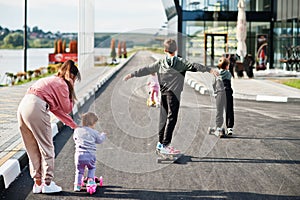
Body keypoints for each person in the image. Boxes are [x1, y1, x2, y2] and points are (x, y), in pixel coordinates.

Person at [123, 38, 218, 154]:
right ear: (176, 49)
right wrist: (209, 69)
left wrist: (132, 74)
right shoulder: (180, 63)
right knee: (172, 118)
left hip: (163, 94)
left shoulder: (160, 63)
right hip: (174, 96)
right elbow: (195, 66)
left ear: (164, 50)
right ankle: (166, 145)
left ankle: (160, 143)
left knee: (163, 118)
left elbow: (146, 69)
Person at [17, 59, 81, 194]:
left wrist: (73, 125)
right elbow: (66, 107)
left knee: (32, 148)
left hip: (23, 106)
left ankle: (38, 183)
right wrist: (71, 89)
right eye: (75, 80)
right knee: (47, 147)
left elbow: (56, 109)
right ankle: (48, 183)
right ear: (73, 76)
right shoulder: (62, 84)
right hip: (36, 106)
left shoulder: (52, 80)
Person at [73, 112, 106, 192]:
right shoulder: (94, 132)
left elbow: (75, 139)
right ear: (93, 123)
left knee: (79, 171)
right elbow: (99, 140)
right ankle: (91, 181)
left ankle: (77, 185)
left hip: (79, 155)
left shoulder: (77, 130)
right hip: (90, 155)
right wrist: (103, 135)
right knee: (91, 168)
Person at [211, 57, 234, 137]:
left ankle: (218, 127)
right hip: (228, 93)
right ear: (227, 66)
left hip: (219, 94)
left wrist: (215, 92)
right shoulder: (228, 74)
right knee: (229, 110)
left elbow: (213, 84)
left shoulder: (216, 74)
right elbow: (230, 82)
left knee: (219, 111)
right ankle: (229, 128)